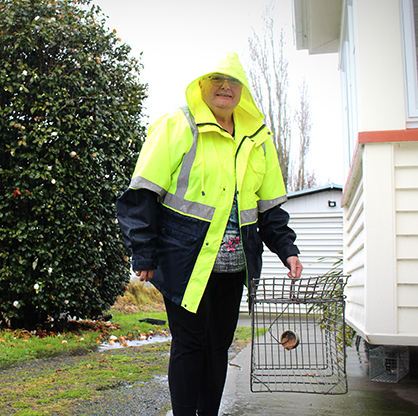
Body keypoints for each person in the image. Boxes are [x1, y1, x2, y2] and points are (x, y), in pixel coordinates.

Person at [116, 51, 303, 416]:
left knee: (219, 347)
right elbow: (140, 196)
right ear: (202, 85)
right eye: (216, 79)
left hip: (235, 266)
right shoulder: (177, 126)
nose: (224, 87)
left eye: (232, 81)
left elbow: (270, 209)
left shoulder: (258, 139)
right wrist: (143, 253)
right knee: (190, 344)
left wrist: (287, 249)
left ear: (242, 90)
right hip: (184, 262)